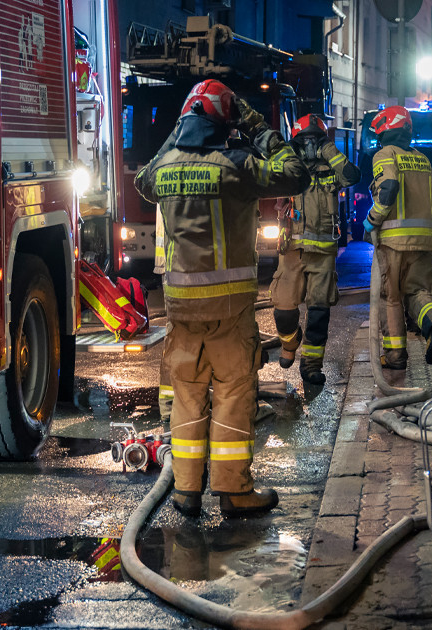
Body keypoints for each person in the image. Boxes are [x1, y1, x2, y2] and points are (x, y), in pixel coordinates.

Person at [135, 79, 309, 518]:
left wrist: (178, 131)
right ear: (223, 121)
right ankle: (233, 492)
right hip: (229, 308)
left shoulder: (166, 167)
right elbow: (296, 173)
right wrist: (258, 127)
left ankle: (186, 491)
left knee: (189, 393)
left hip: (180, 309)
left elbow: (142, 179)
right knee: (233, 394)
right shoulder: (237, 165)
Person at [270, 114, 361, 385]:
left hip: (323, 254)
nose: (310, 145)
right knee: (283, 312)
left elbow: (352, 176)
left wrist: (328, 149)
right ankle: (289, 343)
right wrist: (290, 153)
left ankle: (311, 366)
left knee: (319, 314)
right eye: (305, 140)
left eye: (315, 139)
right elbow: (271, 175)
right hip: (291, 251)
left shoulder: (332, 166)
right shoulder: (289, 166)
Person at [363, 105, 432, 369]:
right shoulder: (422, 159)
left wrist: (371, 220)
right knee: (419, 292)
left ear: (386, 129)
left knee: (391, 297)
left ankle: (396, 356)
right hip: (424, 242)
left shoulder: (384, 155)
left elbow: (387, 190)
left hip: (393, 243)